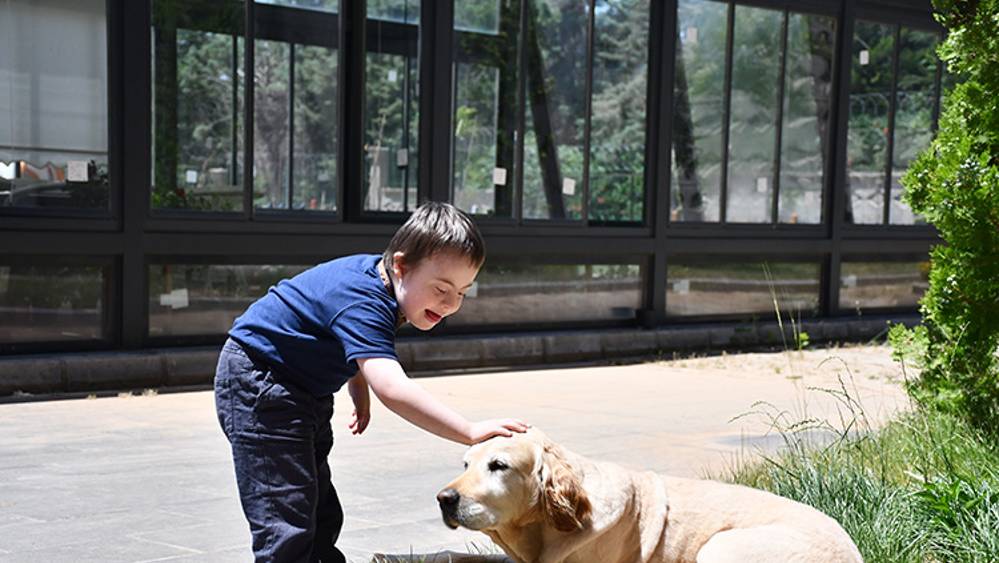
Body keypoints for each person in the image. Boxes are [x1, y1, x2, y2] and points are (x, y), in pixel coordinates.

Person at [214, 202, 528, 562]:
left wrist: (357, 388)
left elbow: (345, 337)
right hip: (260, 383)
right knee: (286, 516)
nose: (451, 303)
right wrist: (470, 431)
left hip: (300, 389)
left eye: (462, 291)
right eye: (442, 288)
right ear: (400, 265)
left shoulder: (383, 283)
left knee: (320, 511)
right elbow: (394, 388)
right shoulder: (363, 301)